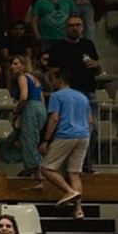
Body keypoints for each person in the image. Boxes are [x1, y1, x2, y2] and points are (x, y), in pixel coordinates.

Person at [39, 70, 89, 216]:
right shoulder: (83, 97)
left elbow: (54, 118)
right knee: (74, 173)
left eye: (52, 80)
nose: (51, 83)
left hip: (66, 134)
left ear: (59, 80)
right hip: (84, 135)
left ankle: (69, 191)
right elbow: (90, 120)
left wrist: (46, 140)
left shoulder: (56, 96)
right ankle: (78, 209)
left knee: (47, 168)